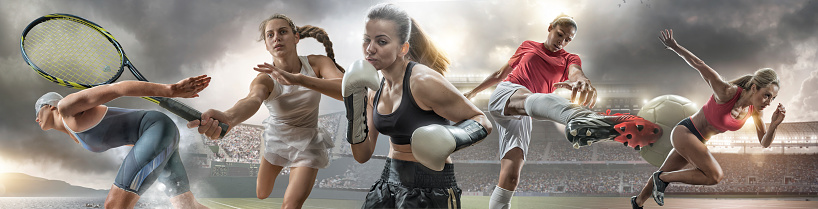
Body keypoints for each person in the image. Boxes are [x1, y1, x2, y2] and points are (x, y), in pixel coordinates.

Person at [462, 15, 663, 209]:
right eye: (560, 34)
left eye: (568, 39)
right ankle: (579, 117)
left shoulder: (569, 58)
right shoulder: (527, 45)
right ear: (550, 28)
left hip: (524, 114)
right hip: (507, 94)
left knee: (511, 178)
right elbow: (499, 74)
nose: (562, 41)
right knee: (530, 97)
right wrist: (472, 93)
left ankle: (584, 119)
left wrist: (581, 80)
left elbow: (576, 72)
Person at [342, 3, 493, 209]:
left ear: (403, 48)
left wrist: (450, 138)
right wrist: (354, 108)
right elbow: (362, 154)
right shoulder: (373, 89)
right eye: (366, 40)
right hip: (388, 181)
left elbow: (481, 120)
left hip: (431, 187)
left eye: (382, 41)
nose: (370, 48)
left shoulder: (422, 80)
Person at [187, 14, 343, 209]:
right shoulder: (265, 79)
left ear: (296, 38)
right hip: (277, 139)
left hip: (309, 143)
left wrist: (299, 79)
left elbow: (346, 90)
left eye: (283, 32)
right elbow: (252, 99)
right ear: (267, 46)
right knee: (262, 193)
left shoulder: (317, 64)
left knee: (291, 205)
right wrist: (229, 117)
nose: (276, 37)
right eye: (270, 35)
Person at [630, 29, 785, 209]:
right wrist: (675, 47)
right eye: (767, 95)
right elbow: (699, 64)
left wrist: (774, 125)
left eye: (773, 98)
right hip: (686, 132)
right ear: (754, 88)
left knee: (665, 171)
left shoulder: (755, 112)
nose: (769, 102)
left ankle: (638, 202)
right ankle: (662, 179)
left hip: (699, 141)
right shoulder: (727, 92)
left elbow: (764, 143)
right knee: (714, 175)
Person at [34, 75, 211, 209]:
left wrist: (171, 90)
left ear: (51, 106)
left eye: (38, 110)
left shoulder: (66, 107)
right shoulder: (75, 135)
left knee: (114, 205)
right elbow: (128, 135)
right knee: (187, 206)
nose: (36, 119)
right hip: (159, 135)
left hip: (156, 128)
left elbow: (118, 89)